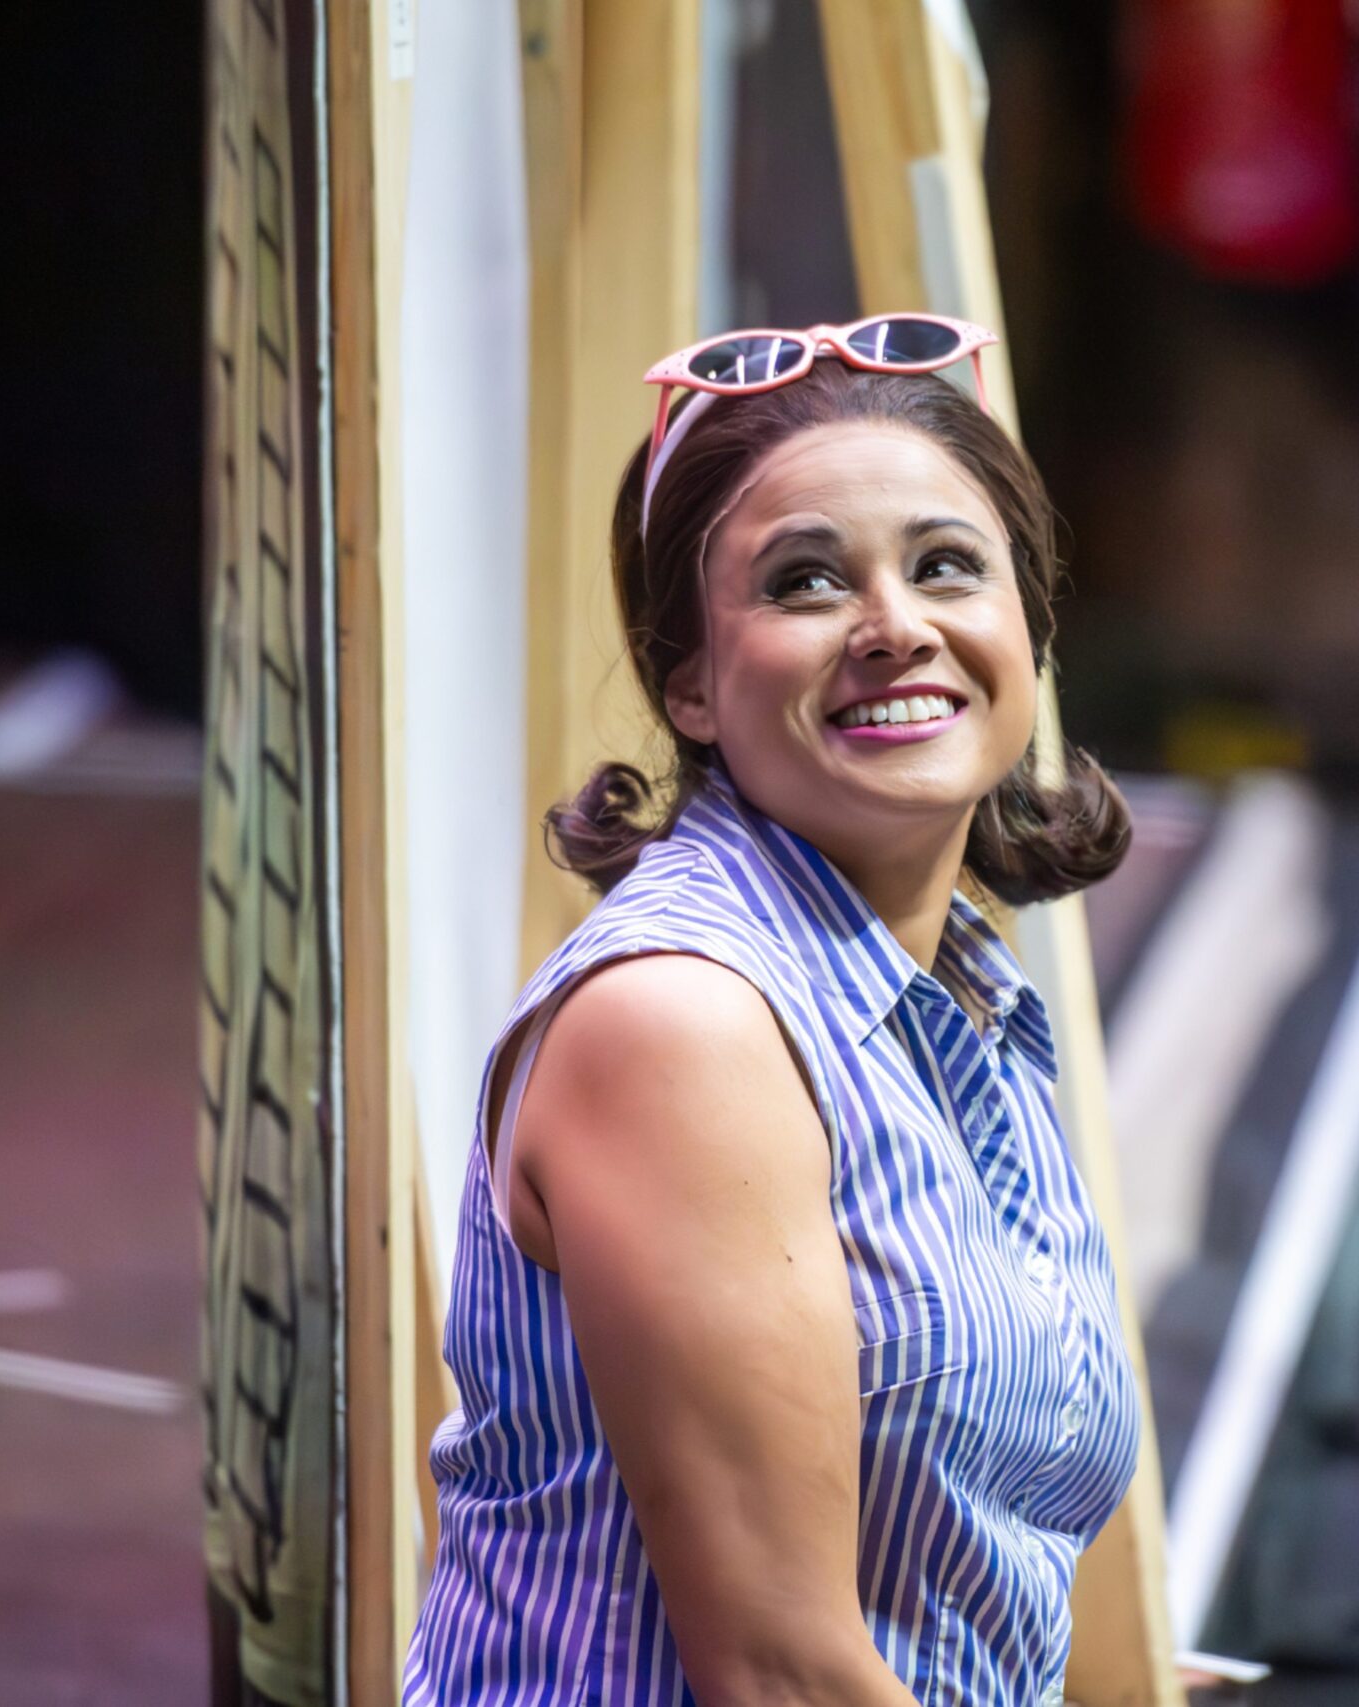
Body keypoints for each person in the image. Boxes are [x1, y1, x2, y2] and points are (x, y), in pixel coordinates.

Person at [403, 317, 1140, 1706]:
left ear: (1028, 629)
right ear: (687, 682)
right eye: (807, 581)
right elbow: (784, 1674)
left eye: (947, 567)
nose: (895, 627)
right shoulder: (685, 1027)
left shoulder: (963, 985)